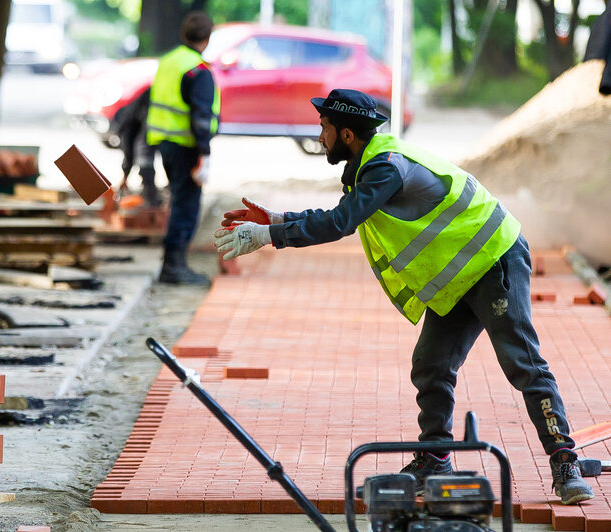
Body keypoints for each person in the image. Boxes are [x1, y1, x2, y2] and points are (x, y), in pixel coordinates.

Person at [215, 88, 595, 505]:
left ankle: (565, 463)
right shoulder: (371, 165)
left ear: (345, 134)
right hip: (459, 273)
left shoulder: (385, 168)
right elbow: (341, 213)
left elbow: (342, 222)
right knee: (430, 365)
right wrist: (277, 219)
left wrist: (270, 236)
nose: (318, 136)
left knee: (521, 362)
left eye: (323, 128)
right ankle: (434, 457)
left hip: (491, 260)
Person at [146, 10, 220, 285]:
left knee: (179, 201)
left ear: (183, 34)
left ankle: (173, 265)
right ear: (208, 38)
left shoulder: (168, 61)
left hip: (163, 142)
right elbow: (201, 117)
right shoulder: (197, 70)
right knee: (185, 207)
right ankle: (173, 267)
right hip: (187, 147)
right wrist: (205, 155)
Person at [111, 87, 160, 207]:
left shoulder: (128, 124)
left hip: (155, 120)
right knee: (145, 157)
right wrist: (125, 176)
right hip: (158, 119)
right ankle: (151, 197)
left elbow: (130, 154)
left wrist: (125, 176)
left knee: (144, 156)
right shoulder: (130, 120)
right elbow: (129, 155)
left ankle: (151, 198)